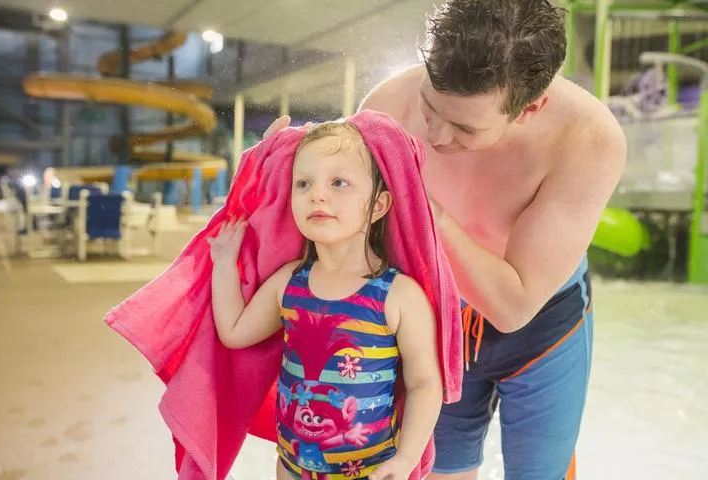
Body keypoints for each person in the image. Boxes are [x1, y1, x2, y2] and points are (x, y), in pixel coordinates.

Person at [265, 1, 627, 479]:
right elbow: (338, 228)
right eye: (430, 107)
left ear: (529, 108)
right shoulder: (388, 107)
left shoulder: (587, 138)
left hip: (544, 328)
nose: (433, 136)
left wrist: (427, 210)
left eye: (464, 127)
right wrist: (270, 170)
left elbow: (513, 305)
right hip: (435, 316)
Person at [208, 121, 444, 480]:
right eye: (303, 183)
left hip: (373, 472)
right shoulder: (289, 282)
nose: (317, 194)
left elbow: (425, 384)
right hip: (291, 468)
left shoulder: (397, 295)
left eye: (339, 182)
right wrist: (224, 264)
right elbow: (234, 332)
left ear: (379, 205)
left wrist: (406, 459)